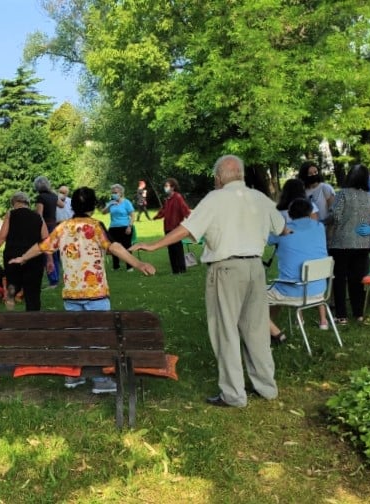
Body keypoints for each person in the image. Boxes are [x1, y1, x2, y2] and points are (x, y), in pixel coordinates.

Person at [134, 155, 286, 408]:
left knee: (225, 330)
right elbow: (281, 228)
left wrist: (153, 245)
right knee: (257, 329)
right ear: (241, 174)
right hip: (256, 267)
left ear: (218, 177)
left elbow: (187, 229)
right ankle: (266, 387)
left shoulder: (215, 199)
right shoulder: (259, 197)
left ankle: (234, 394)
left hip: (226, 268)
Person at [10, 187, 156, 394]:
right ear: (92, 206)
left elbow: (43, 245)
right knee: (99, 337)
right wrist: (138, 264)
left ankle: (73, 375)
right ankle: (100, 380)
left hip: (71, 293)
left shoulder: (63, 228)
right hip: (95, 292)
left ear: (72, 206)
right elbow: (114, 247)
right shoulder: (96, 227)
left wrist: (23, 257)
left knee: (75, 336)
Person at [267, 198, 330, 343]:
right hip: (318, 290)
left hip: (291, 291)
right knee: (274, 294)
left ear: (289, 213)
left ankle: (272, 331)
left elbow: (267, 240)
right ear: (310, 212)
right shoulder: (320, 227)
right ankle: (268, 328)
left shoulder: (284, 230)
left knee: (253, 297)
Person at [325, 164, 370, 324]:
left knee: (339, 279)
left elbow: (335, 216)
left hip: (341, 242)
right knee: (357, 279)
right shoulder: (368, 196)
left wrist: (322, 221)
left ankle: (341, 315)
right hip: (362, 243)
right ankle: (358, 313)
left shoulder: (343, 194)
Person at [0, 191, 50, 311]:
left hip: (13, 256)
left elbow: (2, 236)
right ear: (27, 203)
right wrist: (50, 260)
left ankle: (12, 313)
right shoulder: (38, 216)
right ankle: (33, 320)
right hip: (35, 258)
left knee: (13, 286)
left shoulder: (11, 214)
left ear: (14, 203)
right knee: (33, 292)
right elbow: (46, 239)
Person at [153, 178, 191, 274]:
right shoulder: (167, 199)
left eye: (167, 186)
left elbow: (185, 209)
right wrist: (156, 216)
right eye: (165, 186)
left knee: (177, 249)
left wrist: (190, 219)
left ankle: (182, 269)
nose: (165, 188)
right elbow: (163, 211)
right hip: (167, 227)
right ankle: (175, 270)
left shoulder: (177, 197)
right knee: (171, 249)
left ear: (173, 187)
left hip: (176, 227)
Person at [34, 176, 64, 288]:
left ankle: (53, 280)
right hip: (55, 226)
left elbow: (39, 215)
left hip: (46, 227)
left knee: (47, 253)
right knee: (55, 253)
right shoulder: (53, 196)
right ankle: (56, 278)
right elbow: (62, 205)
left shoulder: (40, 198)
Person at [101, 183, 136, 271]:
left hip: (125, 227)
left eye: (115, 192)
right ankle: (116, 266)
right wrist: (109, 204)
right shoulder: (111, 203)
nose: (114, 194)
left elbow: (132, 215)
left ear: (120, 193)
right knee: (114, 247)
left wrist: (129, 226)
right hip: (113, 228)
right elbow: (103, 212)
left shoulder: (126, 202)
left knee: (127, 246)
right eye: (112, 192)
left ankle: (130, 266)